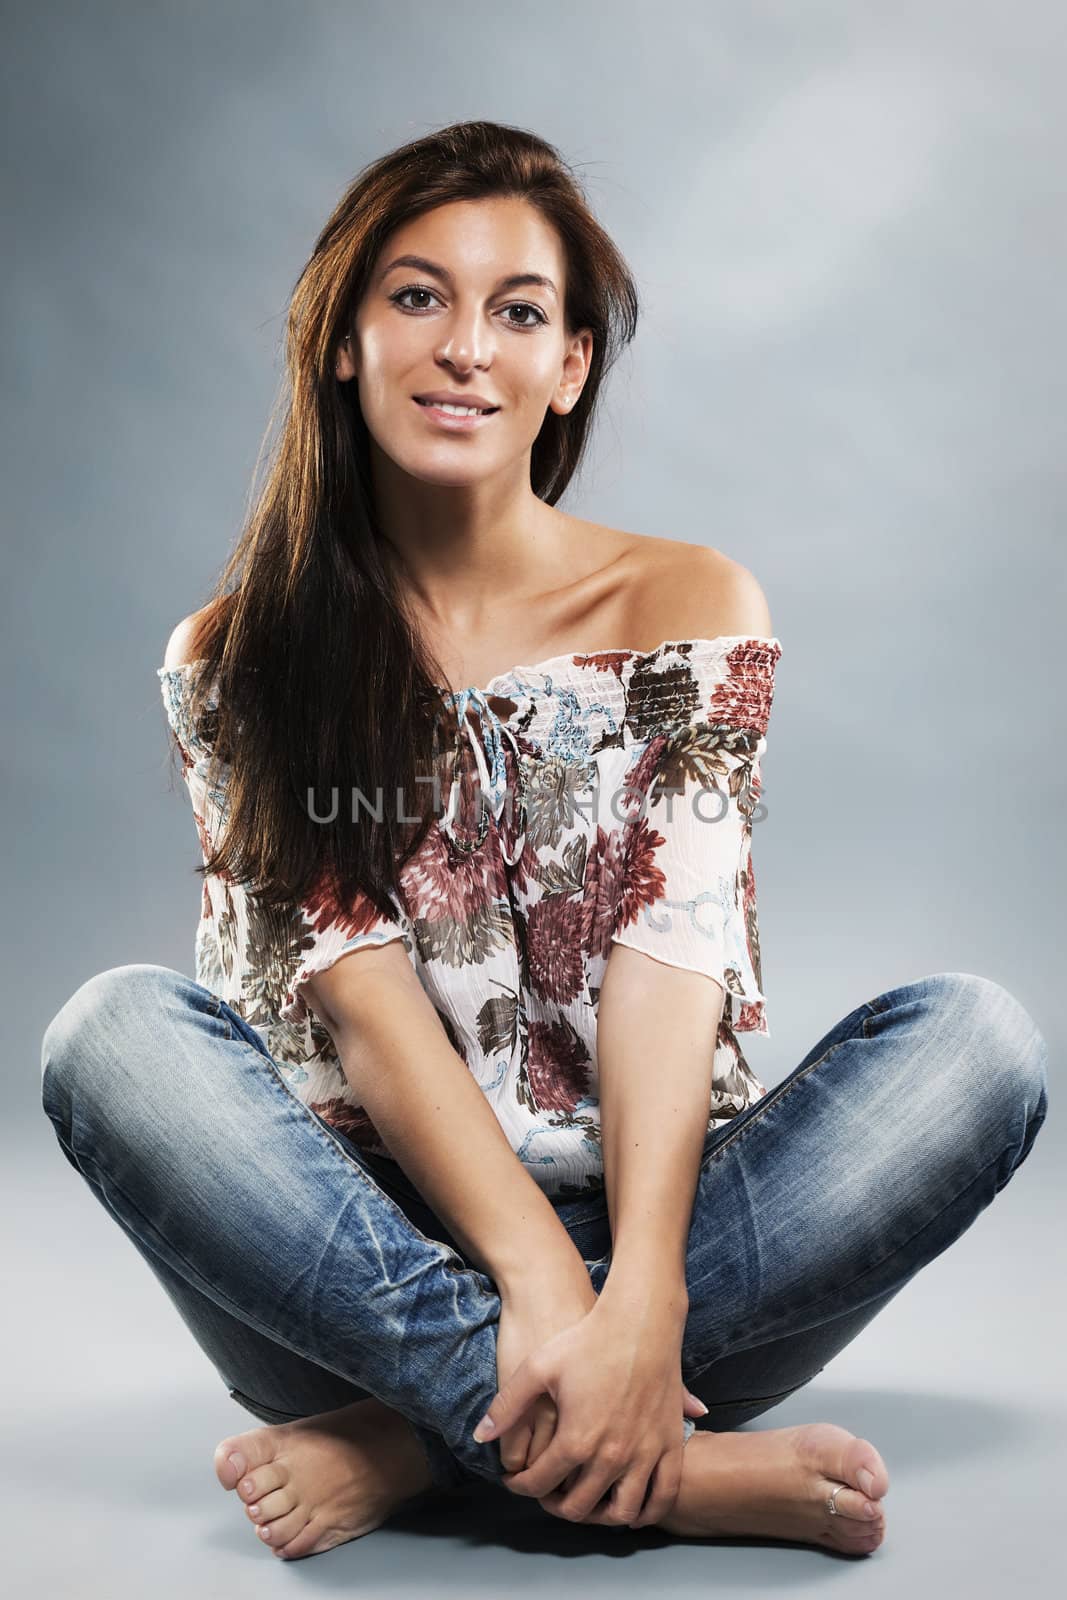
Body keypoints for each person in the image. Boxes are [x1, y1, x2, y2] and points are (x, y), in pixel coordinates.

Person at [40, 119, 1048, 1565]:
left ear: (569, 366)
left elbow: (669, 949)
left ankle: (413, 1444)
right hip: (343, 1272)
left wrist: (638, 1297)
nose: (467, 346)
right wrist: (548, 1296)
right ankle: (655, 1467)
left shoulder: (688, 603)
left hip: (667, 1236)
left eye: (519, 311)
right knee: (109, 1036)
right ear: (343, 340)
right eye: (417, 296)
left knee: (982, 1044)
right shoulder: (242, 652)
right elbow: (368, 1016)